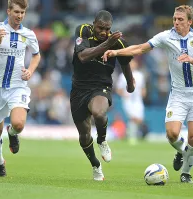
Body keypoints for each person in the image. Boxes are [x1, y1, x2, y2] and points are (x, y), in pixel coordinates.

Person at [103, 5, 193, 183]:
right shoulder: (166, 36)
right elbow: (140, 48)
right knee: (171, 134)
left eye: (180, 20)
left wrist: (191, 60)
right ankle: (182, 150)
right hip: (178, 94)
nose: (176, 23)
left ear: (190, 22)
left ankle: (185, 173)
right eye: (174, 19)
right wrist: (116, 52)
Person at [0, 0, 40, 177]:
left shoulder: (28, 34)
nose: (19, 16)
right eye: (17, 12)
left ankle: (12, 133)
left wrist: (30, 70)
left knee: (19, 124)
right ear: (8, 11)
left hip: (17, 86)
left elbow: (36, 55)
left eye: (22, 13)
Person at [71, 10, 135, 181]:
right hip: (79, 88)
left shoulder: (117, 42)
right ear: (94, 24)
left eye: (107, 29)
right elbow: (83, 56)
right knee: (84, 135)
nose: (103, 32)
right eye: (100, 28)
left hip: (101, 85)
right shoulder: (83, 30)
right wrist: (107, 44)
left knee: (99, 113)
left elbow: (125, 61)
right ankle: (95, 165)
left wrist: (130, 83)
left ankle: (102, 140)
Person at [116, 58, 146, 145]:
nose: (133, 65)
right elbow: (118, 89)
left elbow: (143, 88)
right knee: (133, 118)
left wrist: (143, 93)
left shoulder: (140, 75)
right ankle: (132, 137)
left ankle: (131, 133)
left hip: (138, 100)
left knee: (139, 119)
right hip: (128, 100)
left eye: (134, 63)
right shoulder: (123, 75)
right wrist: (124, 94)